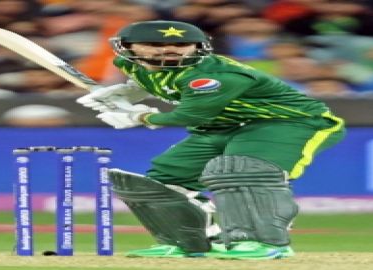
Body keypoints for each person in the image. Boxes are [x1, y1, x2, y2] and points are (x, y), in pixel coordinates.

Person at [76, 20, 345, 260]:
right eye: (153, 44)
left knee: (242, 170)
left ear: (199, 47)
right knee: (164, 179)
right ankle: (188, 243)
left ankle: (264, 243)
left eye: (181, 45)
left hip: (286, 123)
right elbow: (154, 81)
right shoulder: (128, 64)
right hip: (218, 127)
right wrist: (129, 92)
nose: (169, 50)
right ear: (127, 47)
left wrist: (140, 117)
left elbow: (188, 115)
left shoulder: (212, 77)